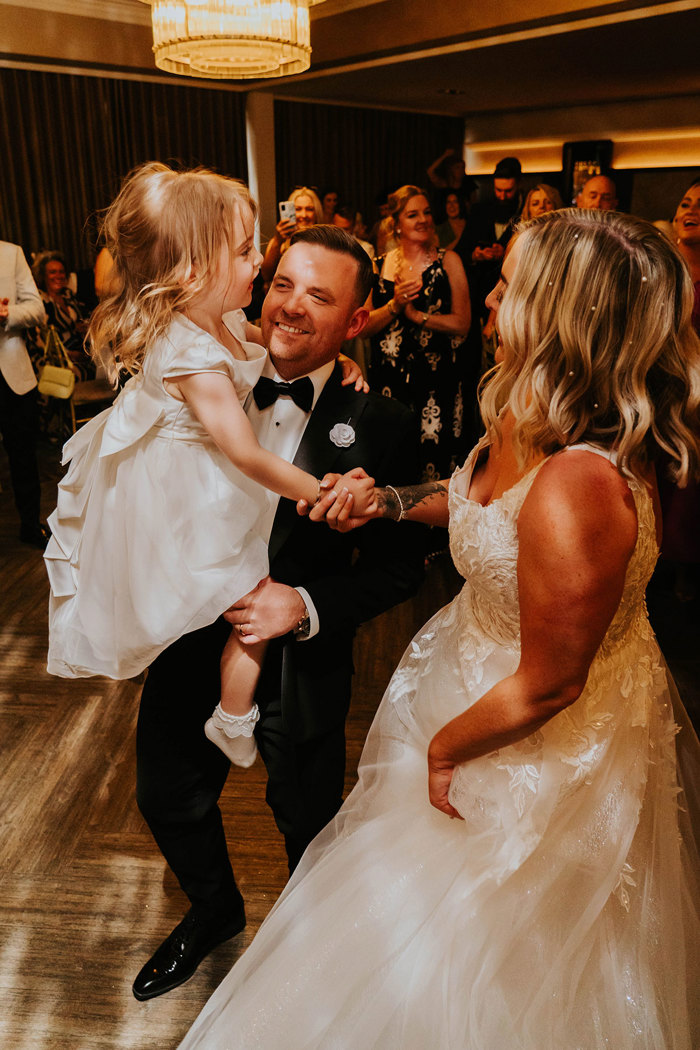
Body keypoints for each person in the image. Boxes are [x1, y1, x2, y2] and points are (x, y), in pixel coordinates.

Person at [179, 208, 700, 1050]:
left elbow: (553, 681)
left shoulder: (582, 483)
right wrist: (385, 500)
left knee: (490, 964)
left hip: (530, 741)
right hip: (471, 680)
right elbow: (475, 507)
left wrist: (444, 747)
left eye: (512, 285)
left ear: (563, 317)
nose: (491, 295)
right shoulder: (528, 415)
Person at [131, 222, 424, 1000]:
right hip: (190, 635)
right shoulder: (208, 365)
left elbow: (405, 567)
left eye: (319, 297)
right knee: (165, 796)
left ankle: (308, 943)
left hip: (302, 662)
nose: (290, 307)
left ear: (357, 322)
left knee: (305, 816)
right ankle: (215, 908)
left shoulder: (383, 425)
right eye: (282, 284)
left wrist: (306, 603)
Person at [44, 164, 375, 772]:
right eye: (248, 253)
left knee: (243, 602)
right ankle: (231, 717)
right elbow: (246, 454)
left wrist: (343, 356)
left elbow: (262, 335)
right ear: (195, 270)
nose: (259, 264)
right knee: (245, 596)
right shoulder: (190, 352)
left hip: (210, 484)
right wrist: (322, 490)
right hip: (187, 498)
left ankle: (231, 713)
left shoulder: (219, 319)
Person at [365, 185, 472, 482]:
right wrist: (395, 306)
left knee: (435, 464)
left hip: (438, 383)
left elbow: (463, 323)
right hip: (388, 384)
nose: (423, 219)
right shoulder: (377, 266)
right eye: (413, 214)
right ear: (396, 223)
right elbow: (362, 327)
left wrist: (417, 316)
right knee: (394, 461)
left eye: (426, 212)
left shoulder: (448, 261)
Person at [657, 176, 700, 599]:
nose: (691, 211)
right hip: (660, 399)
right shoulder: (659, 274)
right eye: (686, 202)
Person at [0, 237, 49, 547]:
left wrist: (7, 314)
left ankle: (30, 525)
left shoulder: (10, 253)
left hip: (11, 372)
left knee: (23, 455)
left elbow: (37, 309)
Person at [30, 250, 94, 381]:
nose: (58, 276)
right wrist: (69, 354)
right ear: (43, 275)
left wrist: (82, 326)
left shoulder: (68, 295)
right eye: (52, 272)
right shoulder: (41, 301)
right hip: (58, 360)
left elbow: (83, 317)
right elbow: (41, 338)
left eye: (61, 271)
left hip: (84, 353)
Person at [260, 186, 323, 285]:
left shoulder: (325, 240)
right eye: (298, 209)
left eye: (309, 209)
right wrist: (278, 240)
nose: (304, 215)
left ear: (316, 213)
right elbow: (266, 275)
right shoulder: (279, 241)